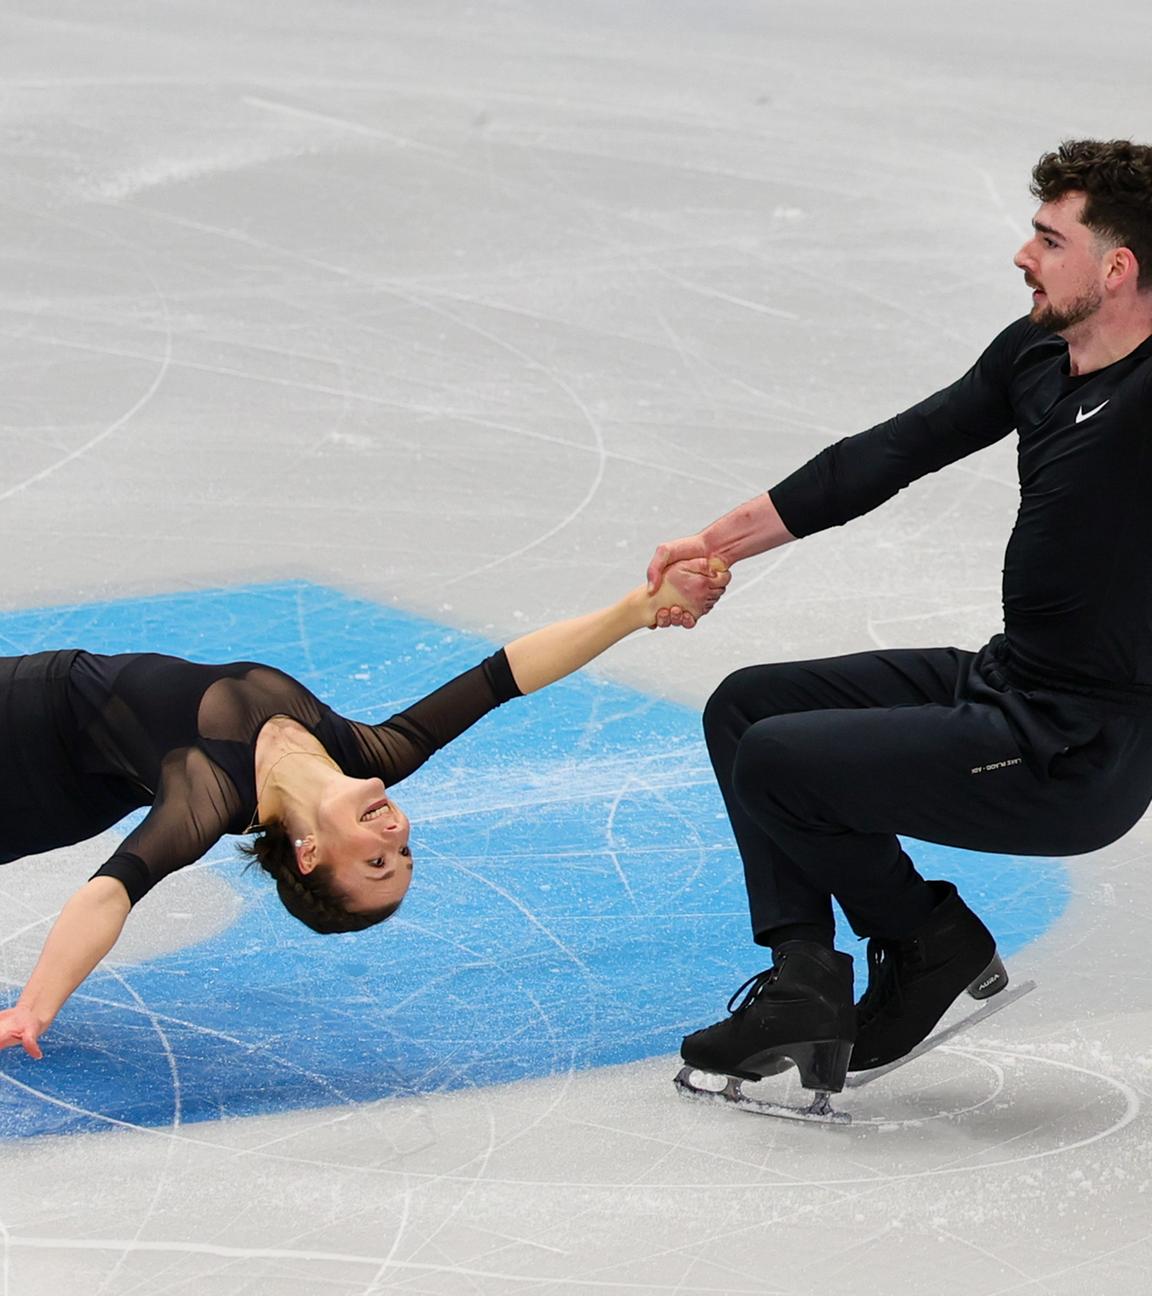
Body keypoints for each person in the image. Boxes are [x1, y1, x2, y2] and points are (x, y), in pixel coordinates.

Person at [647, 138, 1152, 1105]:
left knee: (783, 764)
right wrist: (715, 544)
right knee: (745, 711)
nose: (1022, 255)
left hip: (1080, 745)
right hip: (1011, 681)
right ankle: (804, 977)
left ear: (1116, 267)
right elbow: (887, 455)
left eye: (1049, 240)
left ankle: (930, 940)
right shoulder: (1037, 353)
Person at [0, 559, 729, 1060]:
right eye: (404, 855)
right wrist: (635, 611)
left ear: (309, 854)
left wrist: (37, 1006)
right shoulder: (370, 754)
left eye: (378, 861)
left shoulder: (210, 790)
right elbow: (504, 676)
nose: (399, 836)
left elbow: (111, 891)